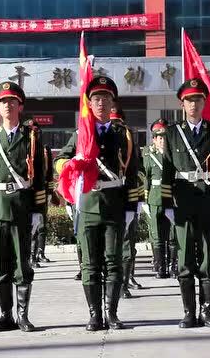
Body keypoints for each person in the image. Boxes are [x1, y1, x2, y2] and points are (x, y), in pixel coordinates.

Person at [54, 76, 139, 331]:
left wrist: (131, 208)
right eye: (96, 99)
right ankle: (94, 315)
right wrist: (72, 163)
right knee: (90, 264)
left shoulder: (123, 133)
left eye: (105, 98)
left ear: (113, 102)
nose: (101, 103)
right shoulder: (81, 134)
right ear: (89, 104)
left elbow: (133, 174)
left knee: (114, 261)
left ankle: (111, 313)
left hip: (114, 204)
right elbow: (60, 160)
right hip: (88, 204)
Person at [0, 81, 45, 332]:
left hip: (22, 208)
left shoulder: (32, 137)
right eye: (3, 101)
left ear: (20, 106)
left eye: (12, 101)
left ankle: (23, 316)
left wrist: (38, 211)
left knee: (22, 264)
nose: (7, 105)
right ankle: (6, 316)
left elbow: (39, 178)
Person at [161, 78, 210, 328]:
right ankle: (189, 311)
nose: (194, 104)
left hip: (208, 199)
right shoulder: (172, 133)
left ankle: (206, 310)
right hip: (182, 201)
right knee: (185, 258)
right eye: (189, 100)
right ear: (182, 104)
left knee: (208, 256)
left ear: (204, 102)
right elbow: (166, 169)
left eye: (198, 99)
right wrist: (166, 203)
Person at [110, 105, 144, 298]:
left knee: (126, 244)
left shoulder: (129, 140)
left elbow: (135, 173)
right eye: (112, 123)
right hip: (106, 199)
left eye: (117, 123)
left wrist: (136, 200)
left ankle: (124, 282)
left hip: (125, 198)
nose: (115, 127)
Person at [141, 119, 175, 279]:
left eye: (165, 137)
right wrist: (145, 200)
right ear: (154, 139)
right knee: (158, 235)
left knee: (173, 234)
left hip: (172, 198)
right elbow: (144, 178)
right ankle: (161, 267)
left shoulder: (174, 154)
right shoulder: (148, 154)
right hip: (154, 198)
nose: (162, 141)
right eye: (159, 138)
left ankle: (174, 265)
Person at [29, 143, 54, 268]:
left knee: (42, 225)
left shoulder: (46, 151)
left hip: (42, 193)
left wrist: (49, 192)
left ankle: (40, 252)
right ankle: (31, 256)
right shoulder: (30, 151)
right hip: (31, 192)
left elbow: (49, 173)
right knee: (32, 226)